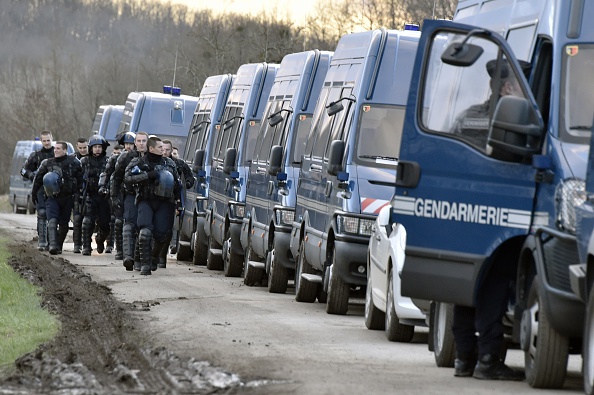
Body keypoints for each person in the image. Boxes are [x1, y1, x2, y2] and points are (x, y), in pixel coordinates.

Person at [451, 59, 529, 381]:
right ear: (507, 87)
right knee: (494, 287)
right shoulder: (517, 123)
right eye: (520, 86)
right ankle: (487, 360)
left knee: (465, 286)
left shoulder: (466, 117)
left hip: (465, 215)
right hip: (499, 219)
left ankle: (464, 358)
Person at [124, 136, 180, 275]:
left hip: (165, 203)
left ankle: (154, 257)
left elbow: (178, 184)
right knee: (145, 232)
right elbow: (128, 178)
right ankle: (144, 264)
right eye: (160, 147)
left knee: (161, 235)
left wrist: (178, 201)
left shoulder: (169, 163)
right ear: (151, 148)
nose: (163, 150)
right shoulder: (140, 162)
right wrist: (149, 175)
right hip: (146, 200)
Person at [31, 141, 83, 255]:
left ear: (65, 150)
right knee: (52, 221)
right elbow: (38, 179)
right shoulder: (47, 163)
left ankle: (58, 245)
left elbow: (81, 180)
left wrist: (79, 195)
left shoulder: (74, 162)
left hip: (68, 197)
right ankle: (53, 246)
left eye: (58, 148)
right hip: (52, 197)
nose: (56, 150)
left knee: (64, 225)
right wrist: (34, 193)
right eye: (55, 148)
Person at [112, 131, 148, 271]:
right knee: (128, 224)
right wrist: (114, 197)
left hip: (147, 197)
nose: (140, 144)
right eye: (138, 141)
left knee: (143, 228)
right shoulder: (125, 158)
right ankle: (128, 257)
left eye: (143, 141)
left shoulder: (153, 157)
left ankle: (140, 259)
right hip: (130, 195)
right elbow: (116, 178)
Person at [101, 134, 136, 260]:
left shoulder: (138, 157)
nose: (128, 146)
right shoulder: (116, 158)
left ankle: (131, 251)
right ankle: (120, 250)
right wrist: (104, 188)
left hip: (132, 192)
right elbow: (108, 174)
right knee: (118, 221)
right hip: (119, 192)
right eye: (126, 144)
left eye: (130, 144)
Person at [21, 130, 54, 251]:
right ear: (41, 141)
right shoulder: (36, 155)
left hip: (55, 189)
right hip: (40, 188)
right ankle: (42, 241)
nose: (46, 143)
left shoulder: (57, 153)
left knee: (53, 216)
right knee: (42, 213)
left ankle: (53, 242)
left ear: (52, 139)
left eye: (48, 140)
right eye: (44, 140)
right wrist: (32, 176)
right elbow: (23, 170)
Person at [161, 140, 194, 263]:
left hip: (172, 198)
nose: (164, 152)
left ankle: (165, 252)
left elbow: (189, 176)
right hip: (156, 199)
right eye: (162, 149)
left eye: (167, 150)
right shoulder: (155, 162)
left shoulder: (178, 164)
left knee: (170, 226)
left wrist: (188, 183)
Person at [80, 135, 111, 255]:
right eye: (95, 147)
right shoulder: (84, 162)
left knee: (105, 224)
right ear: (91, 148)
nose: (97, 149)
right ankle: (86, 246)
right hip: (89, 195)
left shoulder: (108, 161)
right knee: (87, 222)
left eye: (99, 147)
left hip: (104, 197)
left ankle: (100, 240)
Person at [103, 144, 123, 254]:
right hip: (112, 194)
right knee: (112, 220)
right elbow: (106, 175)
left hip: (124, 193)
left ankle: (121, 247)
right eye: (115, 153)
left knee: (121, 221)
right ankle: (109, 244)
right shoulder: (112, 161)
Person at [72, 137, 89, 253]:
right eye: (81, 148)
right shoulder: (72, 159)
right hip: (77, 192)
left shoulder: (92, 157)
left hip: (90, 192)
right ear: (77, 147)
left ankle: (87, 244)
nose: (83, 150)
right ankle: (77, 244)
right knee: (77, 219)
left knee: (88, 221)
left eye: (85, 147)